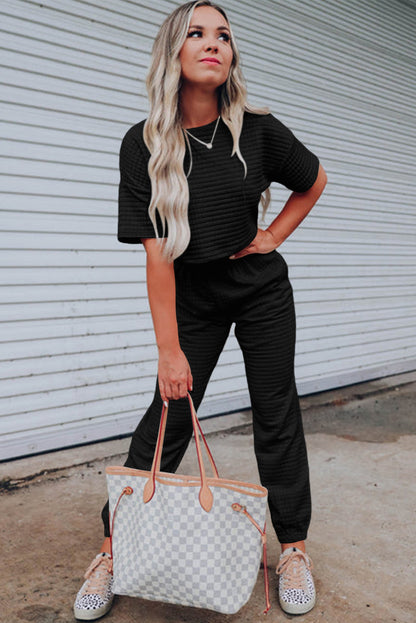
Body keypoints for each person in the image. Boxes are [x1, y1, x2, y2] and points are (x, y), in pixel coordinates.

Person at [73, 0, 327, 619]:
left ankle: (292, 547)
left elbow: (313, 179)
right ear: (174, 52)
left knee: (275, 412)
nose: (213, 43)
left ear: (231, 54)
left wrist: (272, 238)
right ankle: (113, 549)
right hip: (194, 294)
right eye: (196, 33)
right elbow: (157, 258)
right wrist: (169, 351)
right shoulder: (145, 143)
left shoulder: (259, 129)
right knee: (169, 417)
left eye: (223, 35)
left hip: (261, 289)